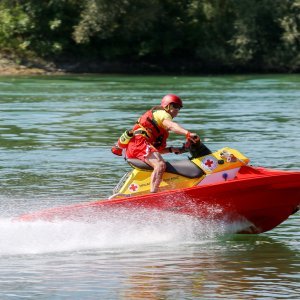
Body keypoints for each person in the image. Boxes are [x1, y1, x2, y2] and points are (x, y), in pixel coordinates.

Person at [112, 94, 198, 193]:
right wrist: (187, 133)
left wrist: (172, 149)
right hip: (139, 143)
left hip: (138, 147)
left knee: (160, 163)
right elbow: (171, 126)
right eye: (175, 106)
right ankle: (153, 193)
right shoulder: (163, 114)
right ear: (167, 106)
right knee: (160, 164)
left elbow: (158, 150)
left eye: (179, 108)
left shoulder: (160, 129)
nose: (177, 110)